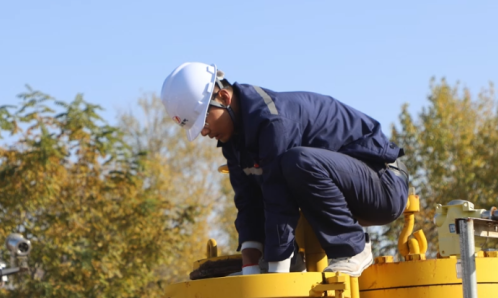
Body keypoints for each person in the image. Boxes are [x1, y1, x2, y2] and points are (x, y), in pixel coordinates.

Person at [161, 63, 409, 276]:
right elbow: (248, 203)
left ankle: (353, 249)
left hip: (383, 185)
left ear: (224, 98)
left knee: (296, 161)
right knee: (282, 172)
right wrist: (251, 268)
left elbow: (278, 198)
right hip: (347, 191)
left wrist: (276, 272)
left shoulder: (275, 121)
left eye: (203, 121)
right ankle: (291, 260)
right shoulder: (233, 139)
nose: (203, 132)